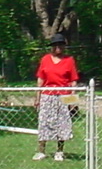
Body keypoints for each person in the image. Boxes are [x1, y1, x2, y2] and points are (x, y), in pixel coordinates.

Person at [33, 33, 78, 161]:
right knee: (44, 122)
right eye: (55, 45)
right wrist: (37, 97)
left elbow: (73, 81)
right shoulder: (45, 59)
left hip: (63, 96)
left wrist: (72, 100)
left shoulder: (69, 61)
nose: (57, 48)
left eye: (60, 45)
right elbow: (40, 79)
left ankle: (59, 151)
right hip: (47, 95)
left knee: (62, 123)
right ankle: (41, 151)